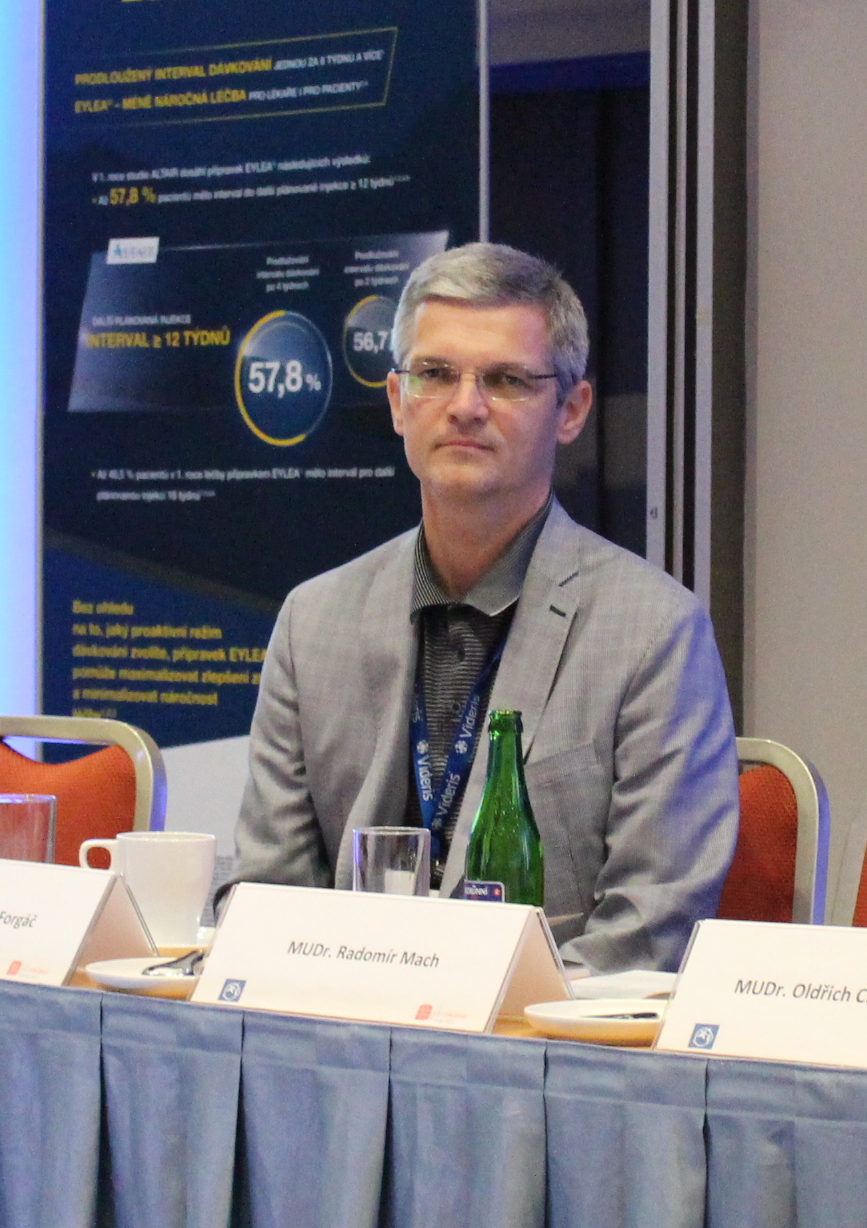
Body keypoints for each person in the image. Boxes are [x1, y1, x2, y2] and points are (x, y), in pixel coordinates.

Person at [232, 242, 740, 971]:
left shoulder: (656, 635)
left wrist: (479, 1020)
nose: (466, 406)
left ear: (571, 410)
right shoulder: (312, 624)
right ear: (397, 401)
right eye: (436, 374)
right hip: (343, 1024)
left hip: (539, 1036)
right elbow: (269, 898)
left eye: (506, 380)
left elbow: (645, 936)